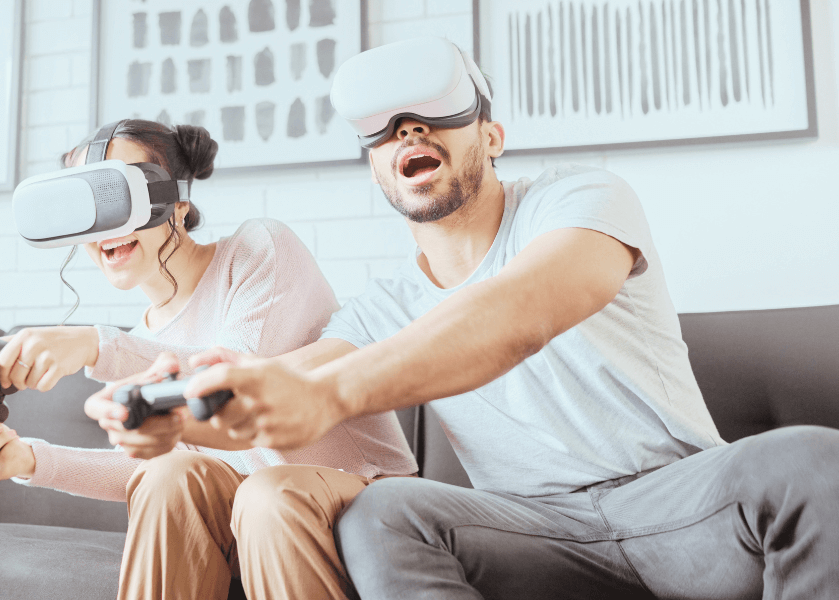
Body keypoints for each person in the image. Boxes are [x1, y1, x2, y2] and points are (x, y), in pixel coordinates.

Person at [165, 40, 839, 599]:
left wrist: (330, 392)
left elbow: (522, 309)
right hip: (533, 530)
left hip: (681, 506)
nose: (409, 130)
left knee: (809, 459)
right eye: (387, 129)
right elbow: (297, 372)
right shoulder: (379, 308)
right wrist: (189, 397)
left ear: (492, 136)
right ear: (375, 173)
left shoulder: (580, 198)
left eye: (435, 115)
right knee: (384, 514)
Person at [0, 119, 418, 600]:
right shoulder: (145, 340)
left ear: (179, 204)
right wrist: (30, 458)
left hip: (361, 493)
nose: (108, 225)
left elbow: (233, 382)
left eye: (121, 195)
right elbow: (142, 469)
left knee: (267, 492)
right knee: (167, 474)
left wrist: (94, 345)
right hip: (247, 519)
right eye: (89, 204)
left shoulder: (257, 251)